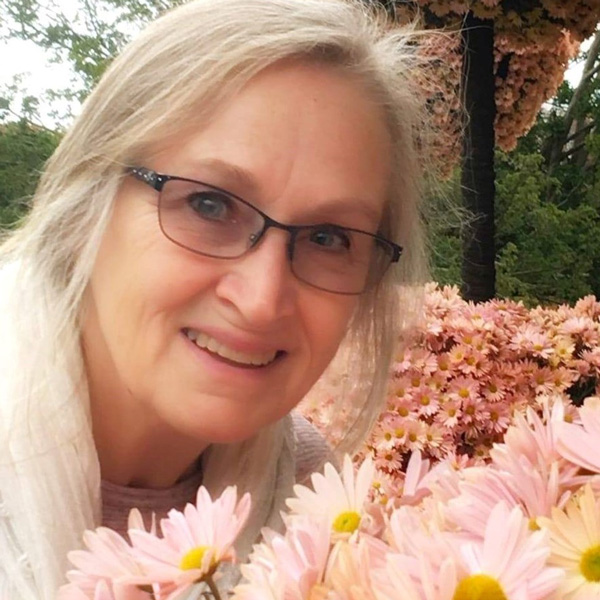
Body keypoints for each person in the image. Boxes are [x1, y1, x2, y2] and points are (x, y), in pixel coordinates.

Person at [0, 0, 428, 597]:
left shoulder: (308, 498)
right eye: (209, 204)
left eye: (330, 238)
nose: (261, 301)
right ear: (86, 205)